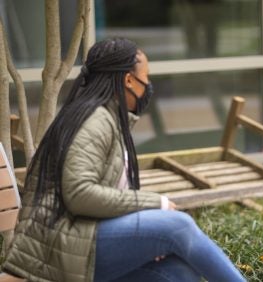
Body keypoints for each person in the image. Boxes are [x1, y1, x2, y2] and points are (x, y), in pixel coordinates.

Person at [2, 38, 246, 282]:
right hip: (62, 250)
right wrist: (156, 203)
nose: (148, 86)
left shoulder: (107, 118)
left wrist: (141, 237)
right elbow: (79, 194)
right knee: (178, 226)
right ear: (129, 80)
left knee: (177, 273)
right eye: (146, 78)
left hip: (78, 244)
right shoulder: (94, 121)